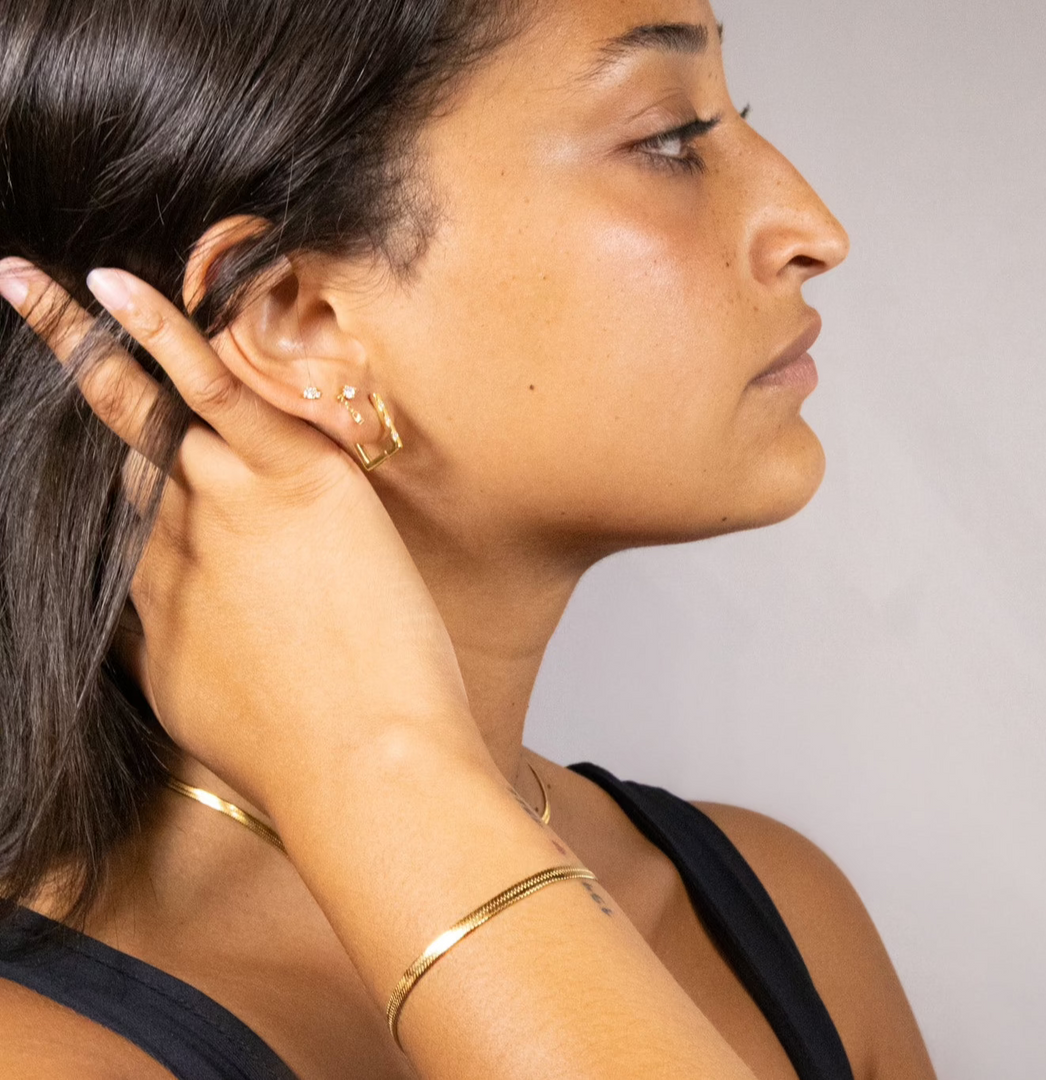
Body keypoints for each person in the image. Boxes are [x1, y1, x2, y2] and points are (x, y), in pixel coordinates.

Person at [0, 0, 939, 1077]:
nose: (812, 226)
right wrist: (374, 768)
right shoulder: (42, 1050)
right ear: (302, 322)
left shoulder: (782, 920)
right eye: (670, 141)